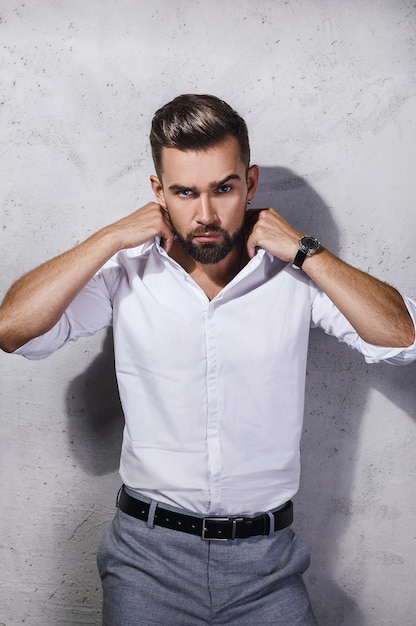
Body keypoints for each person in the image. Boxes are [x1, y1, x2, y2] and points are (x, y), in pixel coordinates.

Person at [0, 94, 415, 626]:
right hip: (147, 561)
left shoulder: (292, 275)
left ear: (251, 182)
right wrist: (109, 238)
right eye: (184, 192)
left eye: (224, 188)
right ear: (158, 192)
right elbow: (13, 330)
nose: (206, 215)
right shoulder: (126, 272)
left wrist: (308, 250)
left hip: (268, 568)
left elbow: (403, 338)